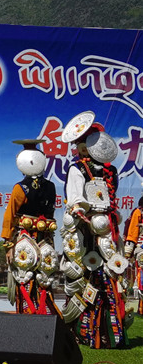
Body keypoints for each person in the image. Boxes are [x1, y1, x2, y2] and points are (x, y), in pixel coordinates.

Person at [58, 111, 131, 348]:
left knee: (103, 274)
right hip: (90, 228)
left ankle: (99, 332)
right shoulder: (87, 169)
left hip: (101, 228)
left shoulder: (91, 169)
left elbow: (79, 199)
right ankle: (95, 332)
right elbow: (76, 201)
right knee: (89, 275)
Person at [1, 139, 61, 315]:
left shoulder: (20, 188)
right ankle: (46, 313)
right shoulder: (51, 187)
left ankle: (28, 314)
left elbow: (10, 216)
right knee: (44, 277)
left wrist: (8, 244)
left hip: (25, 238)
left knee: (24, 276)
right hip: (45, 239)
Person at [124, 194, 142, 315]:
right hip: (141, 248)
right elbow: (132, 233)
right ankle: (141, 308)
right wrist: (128, 251)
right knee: (141, 276)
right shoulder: (138, 213)